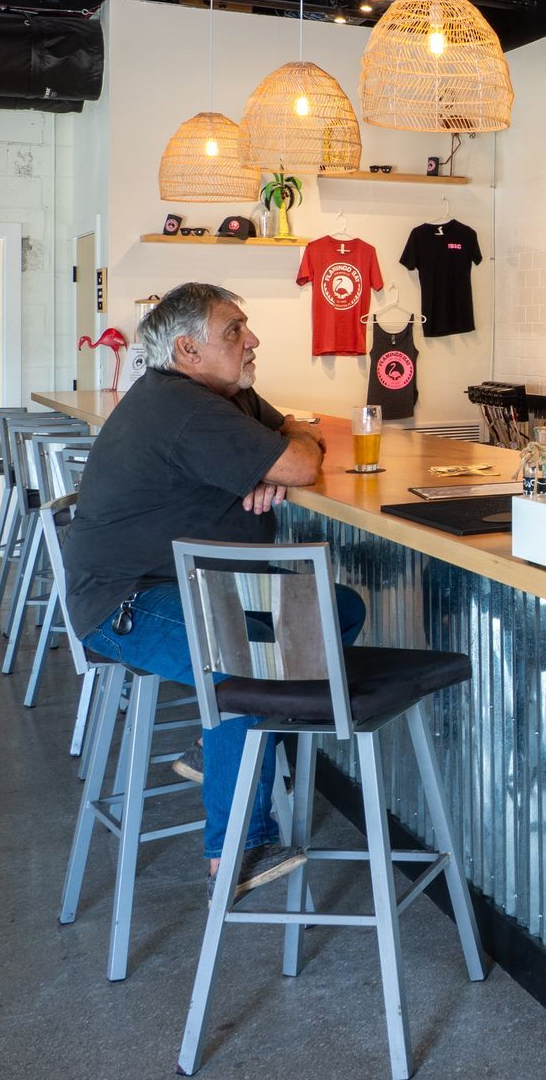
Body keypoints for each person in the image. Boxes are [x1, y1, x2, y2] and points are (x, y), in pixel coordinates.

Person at [64, 282, 364, 891]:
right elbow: (303, 461)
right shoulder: (185, 408)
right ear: (187, 350)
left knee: (338, 608)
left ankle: (222, 744)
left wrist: (278, 456)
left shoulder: (227, 396)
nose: (252, 340)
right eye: (234, 331)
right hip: (129, 602)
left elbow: (302, 434)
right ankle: (236, 849)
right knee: (246, 661)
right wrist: (280, 459)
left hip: (195, 586)